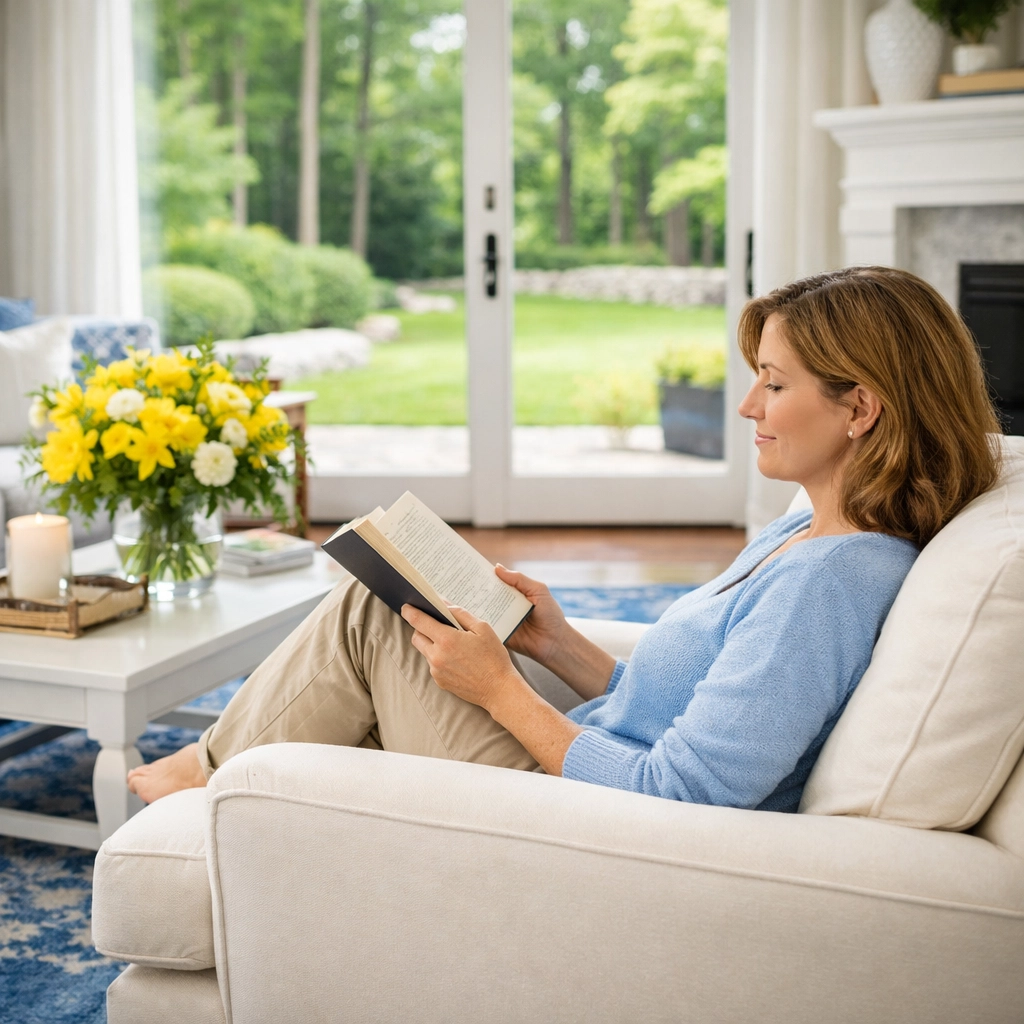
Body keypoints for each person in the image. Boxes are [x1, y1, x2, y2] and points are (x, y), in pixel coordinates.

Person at [128, 266, 1002, 812]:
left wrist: (503, 690)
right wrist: (559, 644)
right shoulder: (804, 533)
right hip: (586, 760)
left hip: (568, 810)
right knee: (374, 642)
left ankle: (201, 775)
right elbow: (689, 720)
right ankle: (222, 785)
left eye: (773, 385)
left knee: (369, 605)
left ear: (862, 407)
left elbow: (682, 794)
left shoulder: (833, 581)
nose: (747, 408)